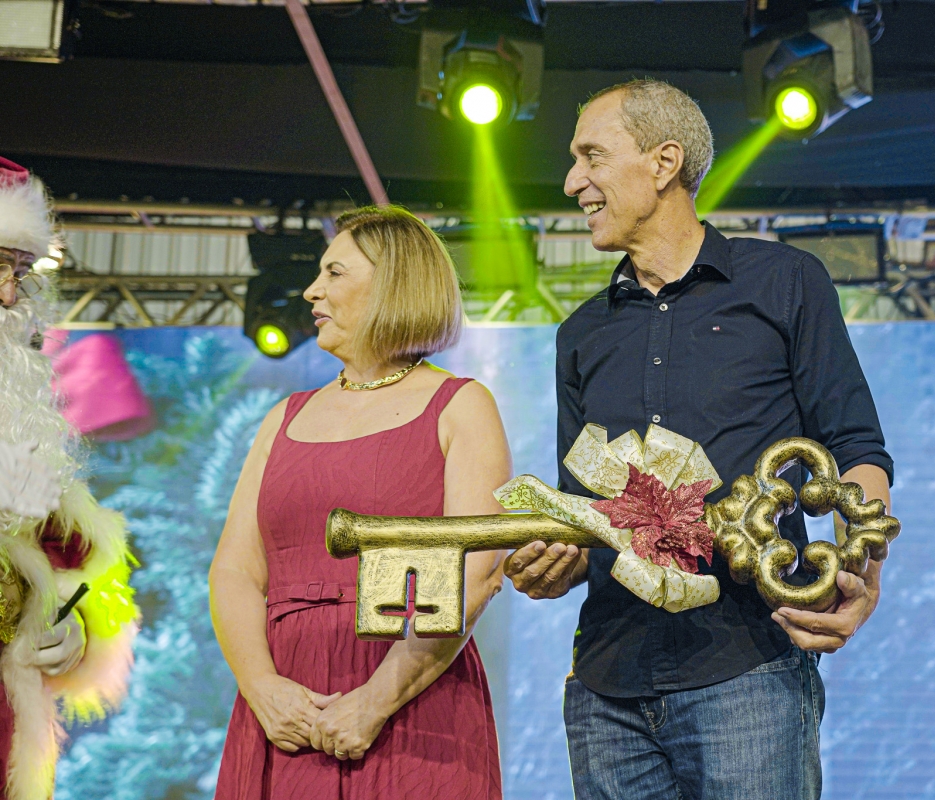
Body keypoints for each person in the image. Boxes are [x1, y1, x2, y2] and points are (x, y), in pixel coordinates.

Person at [503, 80, 894, 799]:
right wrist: (553, 563)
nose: (571, 182)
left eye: (592, 156)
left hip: (748, 669)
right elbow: (582, 510)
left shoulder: (785, 282)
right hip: (604, 686)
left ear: (664, 162)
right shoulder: (580, 334)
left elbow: (855, 446)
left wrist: (858, 567)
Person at [210, 205, 509, 799]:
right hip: (284, 709)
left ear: (393, 283)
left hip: (410, 700)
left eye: (334, 272)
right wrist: (262, 687)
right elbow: (234, 571)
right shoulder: (283, 417)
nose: (311, 290)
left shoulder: (460, 405)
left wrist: (375, 701)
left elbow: (478, 571)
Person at [0, 156, 139, 800]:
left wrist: (77, 627)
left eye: (19, 273)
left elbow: (78, 562)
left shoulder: (17, 427)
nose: (9, 297)